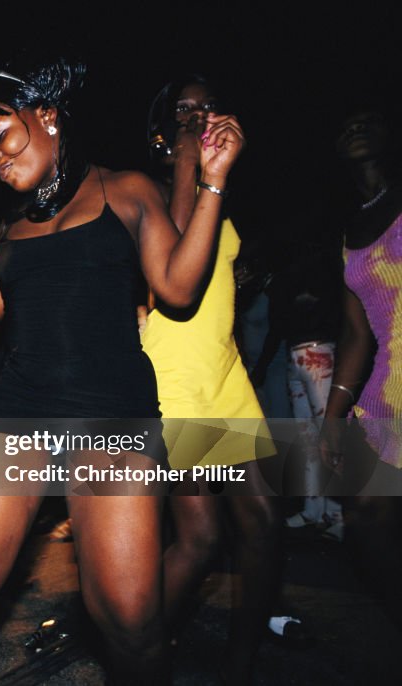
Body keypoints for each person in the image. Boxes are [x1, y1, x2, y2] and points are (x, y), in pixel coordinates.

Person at [0, 54, 243, 684]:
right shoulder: (12, 225)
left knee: (126, 614)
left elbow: (178, 289)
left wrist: (212, 181)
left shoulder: (126, 191)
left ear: (46, 117)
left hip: (109, 409)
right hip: (19, 404)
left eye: (1, 136)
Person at [141, 75, 281, 684]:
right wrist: (189, 161)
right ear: (162, 133)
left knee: (263, 523)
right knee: (200, 538)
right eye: (182, 112)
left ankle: (239, 660)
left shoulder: (211, 188)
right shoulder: (161, 188)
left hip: (224, 370)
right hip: (181, 372)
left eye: (206, 107)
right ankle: (135, 650)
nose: (198, 117)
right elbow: (175, 262)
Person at [324, 107, 402, 629]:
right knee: (367, 518)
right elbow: (356, 334)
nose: (353, 125)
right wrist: (332, 417)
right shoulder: (348, 231)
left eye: (366, 118)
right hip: (386, 391)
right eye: (344, 122)